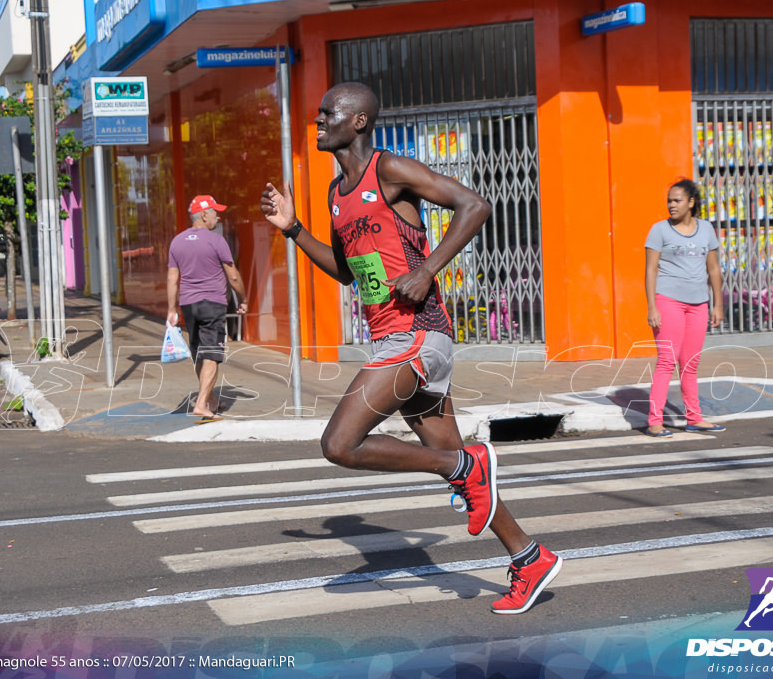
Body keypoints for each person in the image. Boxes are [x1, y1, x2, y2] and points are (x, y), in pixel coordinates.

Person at [260, 81, 561, 615]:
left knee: (340, 445)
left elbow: (475, 205)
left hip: (418, 335)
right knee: (469, 474)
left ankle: (460, 469)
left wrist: (427, 269)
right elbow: (346, 273)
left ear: (358, 121)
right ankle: (528, 557)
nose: (319, 120)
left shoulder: (389, 170)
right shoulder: (336, 194)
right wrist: (294, 230)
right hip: (391, 338)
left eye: (328, 113)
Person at [644, 178, 726, 437]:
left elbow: (713, 268)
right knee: (667, 361)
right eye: (669, 200)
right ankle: (655, 421)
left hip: (699, 304)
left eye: (677, 200)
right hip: (668, 301)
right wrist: (652, 307)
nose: (671, 205)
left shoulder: (706, 229)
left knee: (690, 363)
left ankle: (694, 418)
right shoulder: (660, 230)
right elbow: (649, 270)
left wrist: (717, 304)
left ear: (691, 203)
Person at [167, 194, 248, 421]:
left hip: (189, 305)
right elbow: (232, 275)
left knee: (199, 353)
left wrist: (171, 309)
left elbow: (172, 279)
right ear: (204, 215)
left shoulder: (177, 241)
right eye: (215, 212)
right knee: (211, 353)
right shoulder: (216, 240)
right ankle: (202, 405)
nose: (218, 216)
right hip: (212, 304)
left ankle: (210, 399)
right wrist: (243, 298)